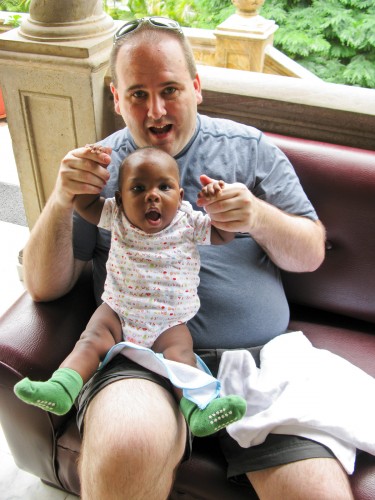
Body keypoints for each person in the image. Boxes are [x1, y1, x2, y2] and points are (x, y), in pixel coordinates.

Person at [21, 16, 354, 500]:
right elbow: (43, 286)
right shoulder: (99, 168)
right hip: (140, 354)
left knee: (314, 492)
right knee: (126, 447)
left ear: (197, 88)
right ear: (116, 98)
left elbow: (309, 254)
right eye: (137, 93)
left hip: (258, 363)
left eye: (170, 89)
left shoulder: (249, 151)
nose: (155, 109)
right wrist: (59, 198)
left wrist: (257, 217)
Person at [14, 146, 246, 437]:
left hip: (169, 323)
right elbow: (85, 205)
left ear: (181, 196)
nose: (152, 195)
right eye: (138, 188)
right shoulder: (116, 215)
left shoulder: (189, 222)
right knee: (90, 341)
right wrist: (91, 168)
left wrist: (217, 204)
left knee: (181, 356)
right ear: (121, 198)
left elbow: (224, 234)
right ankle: (62, 387)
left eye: (164, 186)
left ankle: (198, 411)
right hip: (117, 310)